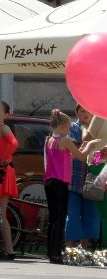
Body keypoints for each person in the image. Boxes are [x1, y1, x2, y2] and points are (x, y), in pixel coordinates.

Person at [44, 109, 96, 264]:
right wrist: (90, 145)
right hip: (60, 182)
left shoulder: (49, 140)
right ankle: (56, 254)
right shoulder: (65, 140)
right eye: (67, 127)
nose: (69, 130)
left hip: (49, 182)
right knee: (60, 218)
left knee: (54, 218)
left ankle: (51, 251)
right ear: (62, 127)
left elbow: (69, 156)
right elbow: (81, 156)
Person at [66, 104, 100, 249]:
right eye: (82, 111)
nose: (86, 114)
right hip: (74, 178)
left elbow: (97, 154)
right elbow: (74, 150)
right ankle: (69, 247)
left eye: (89, 111)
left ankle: (84, 248)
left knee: (90, 214)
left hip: (90, 180)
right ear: (76, 112)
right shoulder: (73, 128)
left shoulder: (96, 130)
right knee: (72, 214)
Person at [0, 100, 18, 259]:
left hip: (3, 172)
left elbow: (14, 143)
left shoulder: (4, 128)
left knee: (0, 212)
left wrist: (4, 159)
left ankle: (9, 250)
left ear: (6, 115)